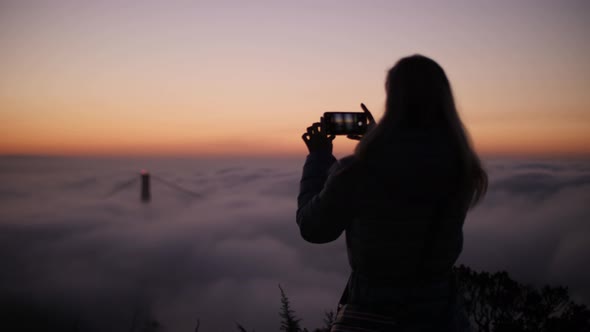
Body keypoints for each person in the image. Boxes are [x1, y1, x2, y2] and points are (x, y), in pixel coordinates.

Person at [297, 55, 487, 331]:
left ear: (392, 101)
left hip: (375, 317)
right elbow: (414, 169)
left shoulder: (359, 171)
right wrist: (378, 137)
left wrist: (318, 157)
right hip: (442, 318)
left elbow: (314, 229)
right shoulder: (462, 170)